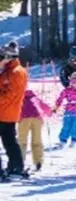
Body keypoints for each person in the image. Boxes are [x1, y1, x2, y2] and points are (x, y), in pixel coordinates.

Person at [0, 41, 29, 180]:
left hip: (6, 111)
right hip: (5, 111)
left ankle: (17, 167)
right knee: (9, 140)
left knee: (10, 140)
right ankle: (15, 167)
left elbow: (11, 94)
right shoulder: (7, 70)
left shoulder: (16, 72)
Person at [18, 89, 50, 171]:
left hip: (24, 119)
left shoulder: (19, 97)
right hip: (37, 119)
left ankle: (20, 161)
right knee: (37, 140)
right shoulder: (35, 98)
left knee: (22, 141)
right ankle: (38, 161)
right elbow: (45, 107)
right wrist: (50, 112)